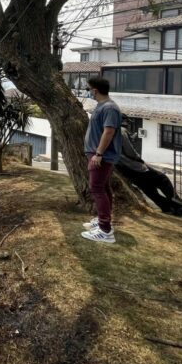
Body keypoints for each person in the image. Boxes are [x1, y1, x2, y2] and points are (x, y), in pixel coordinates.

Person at [115, 116, 182, 219]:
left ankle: (167, 207)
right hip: (133, 166)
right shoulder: (121, 131)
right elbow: (130, 152)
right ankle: (181, 209)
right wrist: (140, 160)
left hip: (123, 169)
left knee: (149, 189)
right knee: (162, 179)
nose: (127, 124)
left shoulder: (107, 130)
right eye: (126, 122)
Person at [81, 76, 122, 244]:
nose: (88, 92)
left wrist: (98, 154)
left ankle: (105, 231)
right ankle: (103, 220)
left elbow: (109, 132)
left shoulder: (110, 108)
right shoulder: (101, 106)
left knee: (96, 188)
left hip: (102, 156)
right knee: (103, 188)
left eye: (88, 89)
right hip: (97, 154)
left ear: (95, 90)